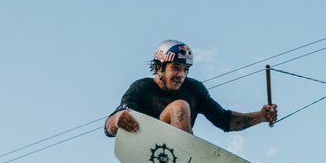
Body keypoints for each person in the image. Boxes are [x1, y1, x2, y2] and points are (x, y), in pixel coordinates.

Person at [104, 40, 277, 138]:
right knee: (179, 106)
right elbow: (110, 126)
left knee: (182, 105)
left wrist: (260, 116)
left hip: (171, 153)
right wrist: (118, 119)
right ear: (159, 68)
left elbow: (224, 120)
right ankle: (187, 157)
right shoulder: (141, 88)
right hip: (145, 148)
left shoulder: (194, 89)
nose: (182, 75)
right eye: (176, 68)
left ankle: (189, 161)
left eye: (186, 70)